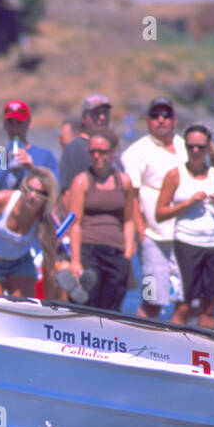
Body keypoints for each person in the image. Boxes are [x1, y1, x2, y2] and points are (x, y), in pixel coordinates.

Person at [156, 124, 214, 329]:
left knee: (209, 306)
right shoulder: (175, 175)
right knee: (183, 306)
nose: (195, 151)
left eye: (200, 147)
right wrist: (188, 202)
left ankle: (206, 350)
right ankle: (173, 346)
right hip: (186, 243)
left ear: (207, 148)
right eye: (190, 147)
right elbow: (159, 213)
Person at [121, 97, 187, 317]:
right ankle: (144, 344)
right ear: (147, 120)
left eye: (166, 115)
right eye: (156, 115)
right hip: (154, 238)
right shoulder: (136, 152)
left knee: (185, 300)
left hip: (187, 237)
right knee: (151, 298)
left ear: (174, 120)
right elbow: (131, 195)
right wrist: (142, 232)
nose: (161, 119)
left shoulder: (186, 146)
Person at [63, 130, 137, 311]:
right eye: (92, 152)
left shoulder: (125, 182)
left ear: (113, 153)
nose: (97, 156)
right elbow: (75, 223)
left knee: (113, 306)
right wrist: (75, 260)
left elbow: (128, 220)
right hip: (89, 250)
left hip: (116, 253)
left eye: (102, 152)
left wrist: (127, 253)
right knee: (88, 304)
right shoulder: (81, 181)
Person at [0, 167, 61, 299]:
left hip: (20, 262)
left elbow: (49, 266)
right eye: (30, 189)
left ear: (48, 198)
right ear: (23, 186)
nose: (32, 196)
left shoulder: (45, 220)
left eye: (40, 193)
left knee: (24, 309)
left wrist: (50, 304)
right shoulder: (1, 200)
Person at [0, 100, 57, 191]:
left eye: (19, 123)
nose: (14, 128)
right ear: (4, 124)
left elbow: (54, 191)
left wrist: (32, 169)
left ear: (29, 124)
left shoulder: (46, 156)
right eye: (10, 123)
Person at [58, 94, 113, 193]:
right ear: (84, 118)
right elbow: (67, 192)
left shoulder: (112, 146)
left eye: (105, 113)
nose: (102, 117)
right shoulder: (75, 148)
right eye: (96, 114)